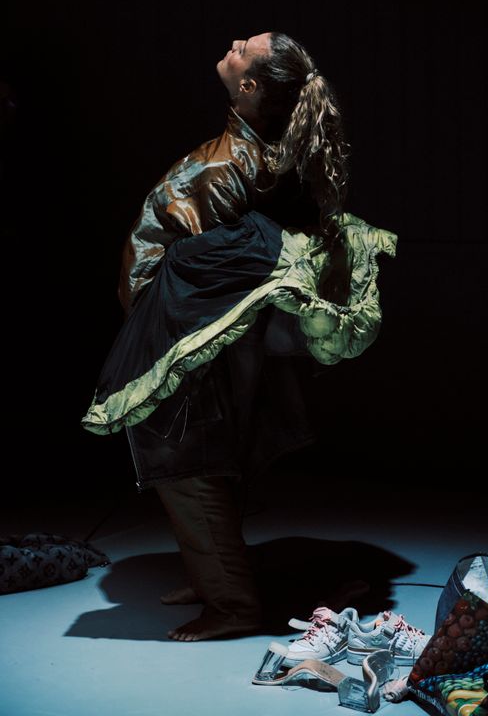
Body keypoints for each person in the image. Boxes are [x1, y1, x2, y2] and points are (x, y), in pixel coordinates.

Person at [81, 32, 397, 641]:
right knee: (204, 460)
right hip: (205, 331)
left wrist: (171, 338)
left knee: (187, 465)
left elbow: (208, 270)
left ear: (249, 85)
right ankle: (212, 578)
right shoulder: (264, 150)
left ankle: (231, 605)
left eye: (243, 47)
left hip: (194, 336)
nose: (232, 44)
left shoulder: (231, 164)